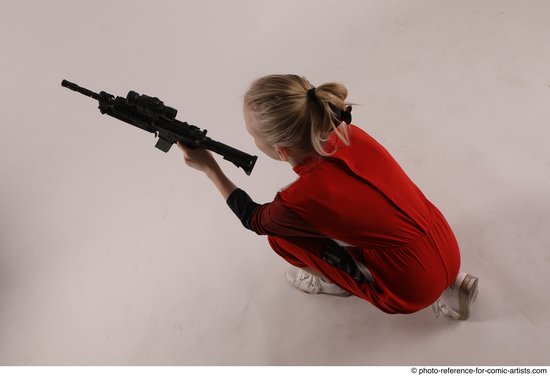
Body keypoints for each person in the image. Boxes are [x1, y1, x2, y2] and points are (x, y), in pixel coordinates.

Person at [177, 74, 479, 320]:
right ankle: (445, 278)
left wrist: (210, 169)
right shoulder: (352, 134)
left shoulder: (299, 199)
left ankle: (337, 283)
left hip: (412, 290)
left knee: (280, 238)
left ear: (281, 151)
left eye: (252, 135)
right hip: (447, 245)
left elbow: (255, 220)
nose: (253, 139)